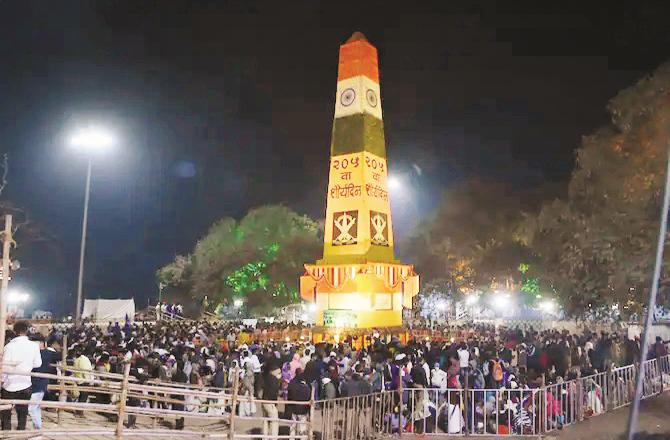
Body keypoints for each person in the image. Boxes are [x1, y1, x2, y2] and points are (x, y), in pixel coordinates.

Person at [1, 321, 42, 431]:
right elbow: (38, 364)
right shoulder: (34, 346)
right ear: (27, 331)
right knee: (23, 413)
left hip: (9, 384)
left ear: (15, 331)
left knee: (6, 413)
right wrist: (27, 365)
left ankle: (6, 435)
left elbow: (4, 367)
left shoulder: (9, 346)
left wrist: (2, 380)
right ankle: (21, 433)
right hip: (25, 383)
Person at [29, 335, 61, 430]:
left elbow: (60, 356)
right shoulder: (48, 353)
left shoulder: (46, 353)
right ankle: (37, 428)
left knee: (31, 408)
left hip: (38, 384)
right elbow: (60, 356)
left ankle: (38, 429)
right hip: (38, 383)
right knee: (35, 407)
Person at [286, 370, 311, 438]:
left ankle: (292, 438)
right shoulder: (307, 387)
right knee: (302, 426)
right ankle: (302, 438)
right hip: (303, 410)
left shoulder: (293, 384)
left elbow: (290, 396)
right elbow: (308, 398)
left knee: (293, 426)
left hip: (294, 408)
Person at [262, 366, 281, 440]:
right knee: (274, 421)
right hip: (270, 402)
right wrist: (274, 403)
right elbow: (273, 392)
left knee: (265, 420)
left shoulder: (266, 378)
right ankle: (274, 437)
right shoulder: (275, 380)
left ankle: (264, 437)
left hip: (264, 401)